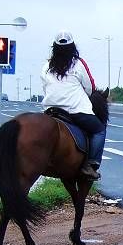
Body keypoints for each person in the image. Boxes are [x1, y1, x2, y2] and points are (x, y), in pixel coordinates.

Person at [40, 30, 106, 181]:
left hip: (51, 110)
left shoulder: (46, 65)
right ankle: (90, 165)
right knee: (99, 130)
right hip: (76, 110)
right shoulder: (78, 63)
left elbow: (45, 87)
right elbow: (90, 88)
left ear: (54, 47)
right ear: (72, 47)